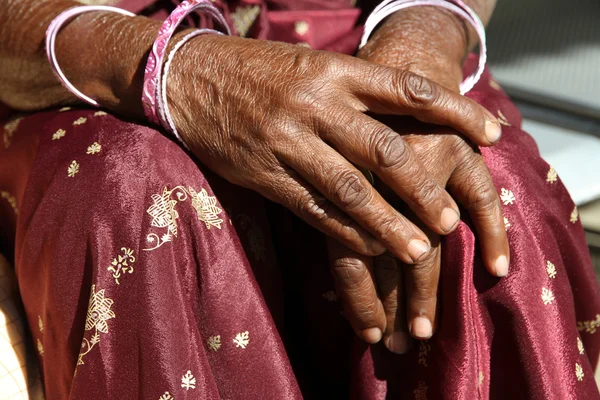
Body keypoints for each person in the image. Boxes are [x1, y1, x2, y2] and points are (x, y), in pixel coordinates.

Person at [0, 0, 598, 398]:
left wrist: (424, 35)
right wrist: (171, 70)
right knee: (136, 198)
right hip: (74, 55)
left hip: (364, 31)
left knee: (484, 198)